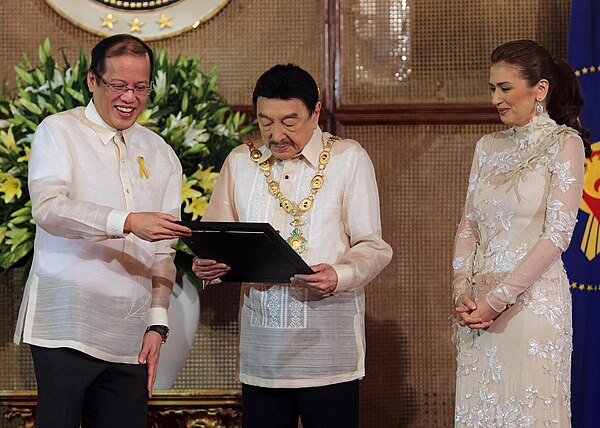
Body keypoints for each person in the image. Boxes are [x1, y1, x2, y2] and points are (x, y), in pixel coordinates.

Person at [192, 64, 392, 428]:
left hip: (327, 348)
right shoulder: (240, 161)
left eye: (290, 120)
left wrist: (339, 274)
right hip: (262, 350)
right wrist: (208, 265)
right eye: (265, 122)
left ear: (316, 112)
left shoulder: (348, 159)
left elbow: (374, 246)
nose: (276, 134)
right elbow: (216, 237)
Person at [13, 34, 191, 427]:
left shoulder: (160, 151)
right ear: (93, 81)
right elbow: (49, 209)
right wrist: (125, 222)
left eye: (141, 87)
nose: (131, 97)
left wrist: (158, 322)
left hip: (130, 333)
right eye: (120, 85)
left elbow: (165, 249)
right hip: (67, 324)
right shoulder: (60, 131)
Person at [453, 39, 590, 426]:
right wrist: (461, 289)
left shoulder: (564, 144)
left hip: (532, 308)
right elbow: (468, 224)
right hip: (477, 312)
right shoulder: (487, 146)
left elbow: (557, 236)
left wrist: (500, 299)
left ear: (540, 89)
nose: (495, 98)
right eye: (492, 88)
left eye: (505, 88)